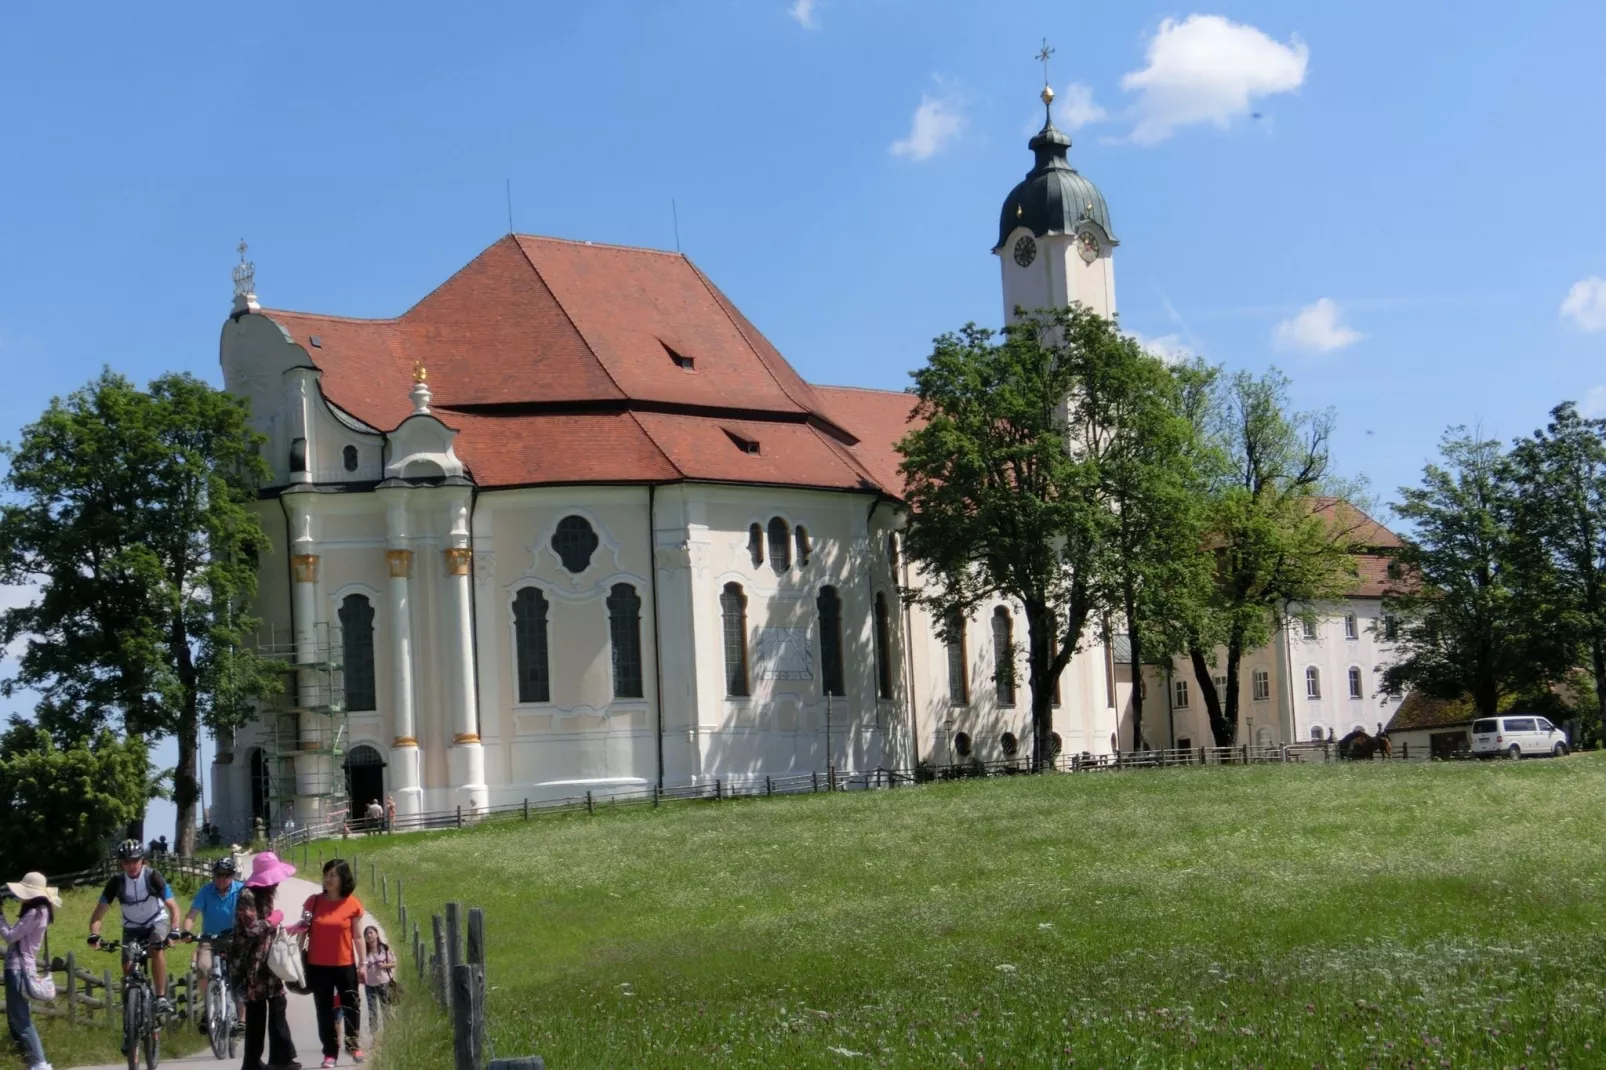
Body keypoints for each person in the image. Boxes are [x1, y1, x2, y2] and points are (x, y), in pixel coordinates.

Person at [88, 840, 180, 1015]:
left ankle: (160, 997)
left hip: (156, 921)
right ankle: (132, 1011)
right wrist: (94, 934)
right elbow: (98, 915)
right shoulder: (116, 883)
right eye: (126, 862)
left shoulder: (153, 876)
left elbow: (173, 907)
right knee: (128, 965)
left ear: (142, 860)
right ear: (121, 864)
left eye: (135, 861)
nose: (131, 866)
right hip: (131, 927)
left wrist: (174, 929)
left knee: (156, 947)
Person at [230, 852, 298, 1070]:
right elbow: (251, 929)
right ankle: (252, 1063)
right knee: (257, 1011)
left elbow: (267, 930)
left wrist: (286, 927)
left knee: (278, 1003)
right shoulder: (247, 895)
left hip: (268, 960)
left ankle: (282, 1057)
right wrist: (273, 919)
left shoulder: (267, 893)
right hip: (251, 962)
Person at [297, 859, 365, 1067]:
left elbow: (358, 937)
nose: (327, 879)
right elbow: (302, 930)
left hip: (345, 964)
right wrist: (297, 958)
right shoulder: (313, 902)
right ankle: (330, 1053)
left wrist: (362, 963)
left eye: (332, 875)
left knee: (351, 1006)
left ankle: (353, 1046)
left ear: (343, 878)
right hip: (318, 966)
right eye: (325, 874)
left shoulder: (353, 904)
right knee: (324, 1010)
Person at [2, 871, 60, 1070]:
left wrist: (0, 917)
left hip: (18, 969)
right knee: (18, 1019)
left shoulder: (35, 912)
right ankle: (32, 1062)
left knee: (21, 1021)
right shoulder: (41, 911)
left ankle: (39, 1063)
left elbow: (10, 936)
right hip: (22, 968)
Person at [183, 857, 246, 1036]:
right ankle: (209, 1007)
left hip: (235, 939)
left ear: (232, 876)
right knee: (203, 968)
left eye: (226, 875)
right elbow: (191, 914)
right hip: (209, 939)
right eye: (218, 875)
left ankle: (242, 1019)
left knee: (238, 976)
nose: (221, 879)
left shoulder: (241, 890)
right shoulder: (205, 891)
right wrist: (186, 931)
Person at [358, 926, 396, 1031]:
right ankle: (374, 1038)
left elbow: (394, 963)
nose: (369, 935)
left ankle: (389, 1034)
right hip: (369, 985)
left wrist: (384, 966)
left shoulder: (384, 948)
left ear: (377, 934)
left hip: (384, 983)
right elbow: (360, 967)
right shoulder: (364, 952)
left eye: (371, 933)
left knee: (386, 1009)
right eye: (366, 934)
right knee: (372, 1012)